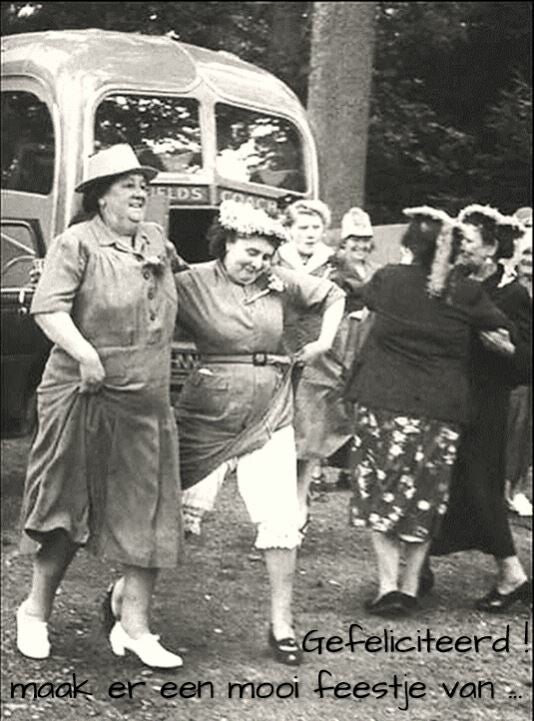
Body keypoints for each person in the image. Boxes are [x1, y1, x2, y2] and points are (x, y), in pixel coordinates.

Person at [16, 144, 184, 668]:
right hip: (83, 393)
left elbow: (191, 285)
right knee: (66, 506)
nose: (140, 192)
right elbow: (48, 308)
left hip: (145, 400)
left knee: (147, 510)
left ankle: (134, 627)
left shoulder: (154, 241)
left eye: (143, 185)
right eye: (127, 184)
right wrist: (86, 355)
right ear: (100, 196)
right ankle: (34, 612)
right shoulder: (77, 242)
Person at [174, 200, 345, 665]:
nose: (258, 263)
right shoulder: (191, 282)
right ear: (226, 242)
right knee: (178, 518)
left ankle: (281, 625)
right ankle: (125, 599)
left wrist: (323, 342)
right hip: (208, 411)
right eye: (250, 252)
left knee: (279, 519)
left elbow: (332, 294)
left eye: (267, 256)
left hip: (270, 411)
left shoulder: (278, 281)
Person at [344, 206, 511, 617]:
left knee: (380, 494)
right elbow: (499, 327)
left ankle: (387, 588)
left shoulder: (388, 279)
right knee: (425, 497)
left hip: (383, 403)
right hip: (440, 411)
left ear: (409, 246)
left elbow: (363, 295)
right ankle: (411, 586)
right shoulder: (466, 291)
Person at [430, 205, 532, 612]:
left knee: (481, 486)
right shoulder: (451, 282)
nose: (461, 247)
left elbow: (528, 358)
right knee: (437, 481)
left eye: (468, 241)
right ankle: (417, 570)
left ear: (491, 248)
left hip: (486, 404)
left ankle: (511, 575)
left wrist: (508, 350)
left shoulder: (513, 294)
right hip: (447, 398)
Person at [276, 199, 348, 521]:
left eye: (316, 227)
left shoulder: (335, 263)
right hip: (280, 345)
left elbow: (353, 297)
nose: (310, 233)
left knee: (311, 428)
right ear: (289, 230)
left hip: (320, 353)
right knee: (280, 427)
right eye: (302, 227)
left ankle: (300, 500)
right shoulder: (275, 258)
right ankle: (279, 499)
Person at [328, 208, 378, 489]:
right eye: (354, 239)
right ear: (344, 241)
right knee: (335, 398)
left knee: (361, 401)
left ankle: (352, 468)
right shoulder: (335, 269)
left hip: (368, 338)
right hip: (342, 336)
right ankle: (320, 465)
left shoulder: (376, 270)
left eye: (365, 239)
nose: (360, 245)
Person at [505, 213, 532, 517]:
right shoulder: (508, 287)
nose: (530, 260)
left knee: (527, 433)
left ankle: (519, 487)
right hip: (513, 370)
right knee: (514, 424)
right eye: (526, 253)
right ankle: (506, 488)